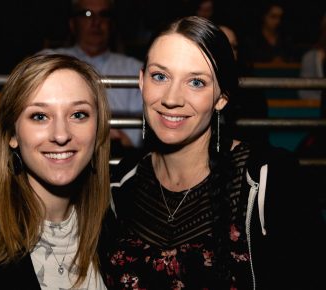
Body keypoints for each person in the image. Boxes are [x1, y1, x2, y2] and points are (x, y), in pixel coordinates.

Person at [102, 16, 325, 289]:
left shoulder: (270, 179)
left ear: (222, 98)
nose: (172, 98)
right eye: (160, 76)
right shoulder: (122, 182)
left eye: (196, 82)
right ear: (141, 81)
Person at [0, 54, 111, 289]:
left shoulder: (116, 228)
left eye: (78, 115)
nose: (61, 134)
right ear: (12, 134)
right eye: (39, 116)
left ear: (98, 129)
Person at [38, 0, 144, 152]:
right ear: (72, 24)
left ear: (112, 24)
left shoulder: (134, 69)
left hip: (116, 157)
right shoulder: (46, 60)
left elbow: (134, 138)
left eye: (104, 15)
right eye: (87, 14)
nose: (96, 22)